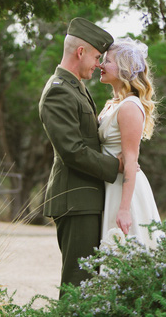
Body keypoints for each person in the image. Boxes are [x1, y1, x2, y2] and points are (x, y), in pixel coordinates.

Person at [38, 17, 123, 293]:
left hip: (86, 198)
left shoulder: (76, 88)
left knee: (89, 286)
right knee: (78, 286)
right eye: (97, 56)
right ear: (80, 52)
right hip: (76, 199)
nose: (98, 64)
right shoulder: (58, 91)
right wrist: (116, 166)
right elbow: (72, 151)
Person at [98, 37, 162, 249]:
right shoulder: (113, 104)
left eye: (107, 61)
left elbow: (131, 158)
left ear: (124, 69)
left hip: (123, 190)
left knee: (127, 249)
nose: (101, 65)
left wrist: (124, 208)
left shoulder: (129, 107)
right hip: (109, 185)